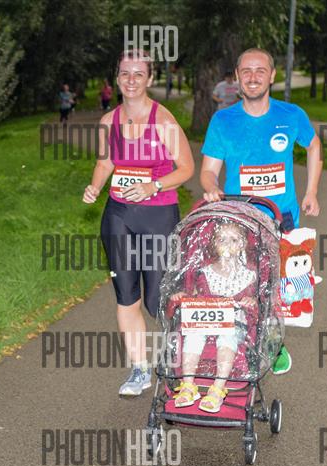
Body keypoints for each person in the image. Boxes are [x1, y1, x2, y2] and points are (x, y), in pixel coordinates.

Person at [200, 47, 323, 375]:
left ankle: (274, 342)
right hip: (238, 220)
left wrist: (311, 191)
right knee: (240, 284)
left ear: (272, 76)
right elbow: (208, 170)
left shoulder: (291, 115)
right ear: (237, 77)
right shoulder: (223, 120)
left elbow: (313, 145)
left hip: (281, 218)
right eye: (246, 71)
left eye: (260, 70)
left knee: (276, 285)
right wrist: (211, 186)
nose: (253, 77)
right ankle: (237, 345)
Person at [83, 49, 195, 396]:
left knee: (157, 299)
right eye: (125, 73)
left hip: (157, 216)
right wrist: (95, 186)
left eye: (138, 74)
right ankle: (139, 370)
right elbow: (105, 162)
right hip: (118, 216)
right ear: (116, 78)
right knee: (126, 295)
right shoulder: (108, 122)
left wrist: (153, 185)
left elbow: (187, 168)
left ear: (149, 79)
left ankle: (183, 362)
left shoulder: (163, 121)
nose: (131, 80)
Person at [170, 222, 257, 413]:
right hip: (206, 319)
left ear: (243, 244)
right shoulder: (205, 272)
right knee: (193, 334)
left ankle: (218, 388)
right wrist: (184, 296)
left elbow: (256, 301)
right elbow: (195, 294)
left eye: (233, 240)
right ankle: (188, 385)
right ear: (214, 243)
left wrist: (251, 300)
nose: (227, 245)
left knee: (228, 336)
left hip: (233, 322)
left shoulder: (248, 275)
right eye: (222, 239)